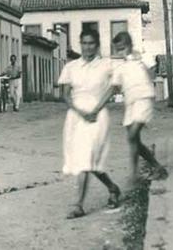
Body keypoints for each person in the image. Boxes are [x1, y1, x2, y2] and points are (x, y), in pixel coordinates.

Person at [58, 29, 123, 219]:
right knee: (85, 161)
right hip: (76, 117)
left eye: (91, 43)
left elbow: (112, 90)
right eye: (84, 43)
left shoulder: (106, 65)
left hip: (98, 115)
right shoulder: (71, 67)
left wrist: (94, 111)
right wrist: (80, 112)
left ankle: (78, 205)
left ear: (97, 45)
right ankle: (113, 188)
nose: (87, 47)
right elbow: (65, 94)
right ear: (80, 44)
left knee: (87, 158)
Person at [105, 31, 168, 186]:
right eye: (118, 49)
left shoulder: (141, 57)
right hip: (130, 103)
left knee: (132, 136)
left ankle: (133, 174)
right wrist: (100, 104)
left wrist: (146, 75)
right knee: (135, 141)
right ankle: (157, 166)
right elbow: (113, 88)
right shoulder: (119, 66)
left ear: (130, 45)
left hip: (144, 99)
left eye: (123, 47)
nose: (121, 52)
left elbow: (153, 68)